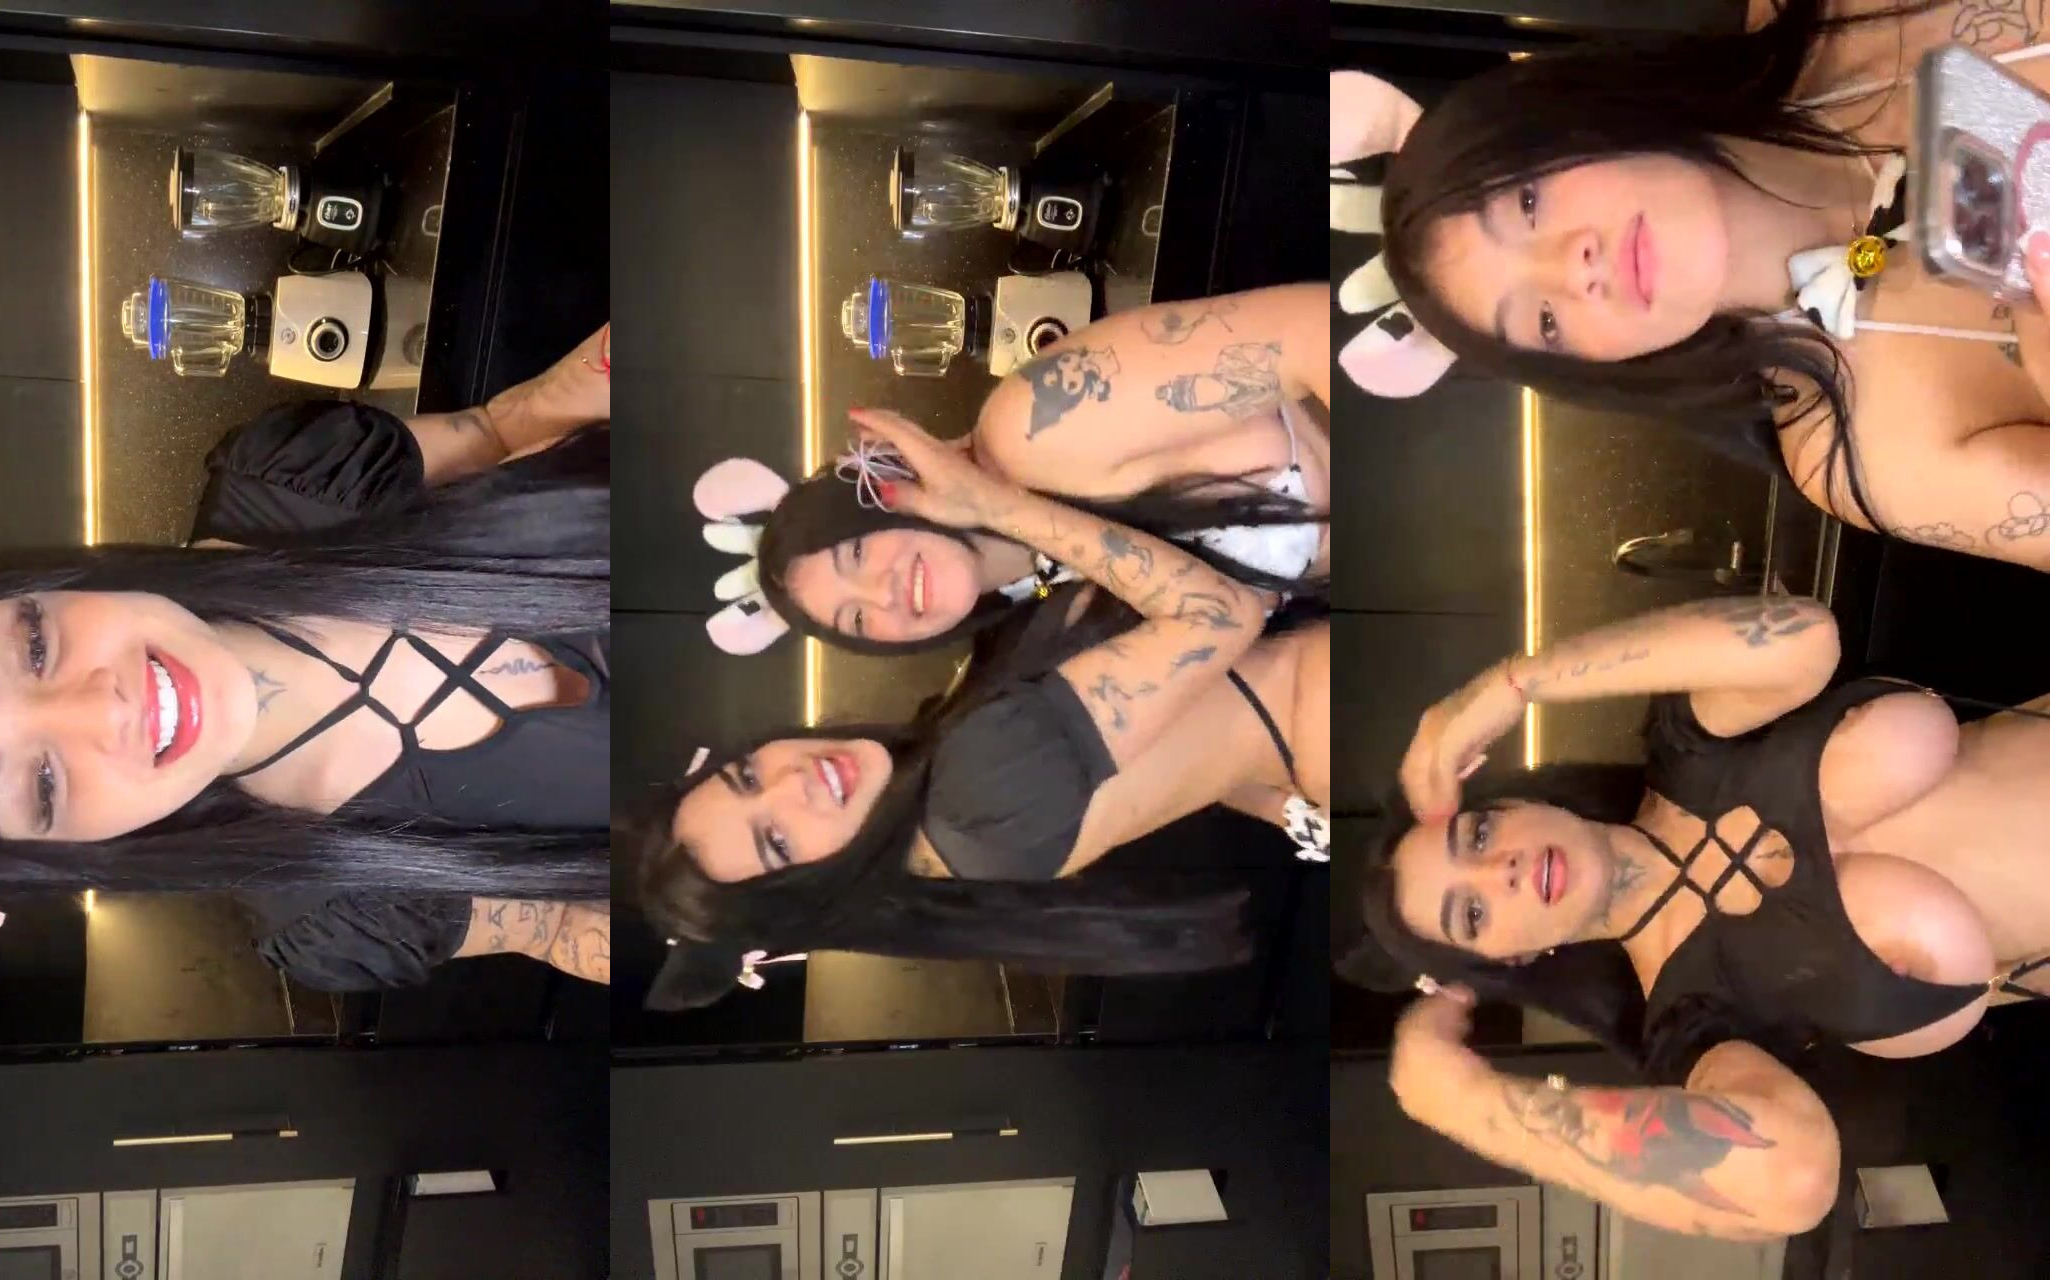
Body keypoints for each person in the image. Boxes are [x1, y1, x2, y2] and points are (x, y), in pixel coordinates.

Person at [0, 325, 618, 992]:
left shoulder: (295, 476)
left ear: (37, 585)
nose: (102, 710)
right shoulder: (339, 916)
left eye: (34, 647)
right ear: (68, 852)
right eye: (42, 785)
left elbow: (502, 428)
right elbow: (558, 927)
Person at [1347, 592, 2050, 1239]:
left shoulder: (1689, 747)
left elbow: (1803, 638)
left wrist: (1507, 687)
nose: (1497, 869)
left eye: (1476, 835)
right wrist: (1469, 1106)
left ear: (1516, 802)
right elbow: (1791, 1178)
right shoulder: (1692, 1023)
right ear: (1511, 960)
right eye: (1471, 912)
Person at [641, 408, 1330, 1009]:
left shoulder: (950, 839)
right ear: (813, 893)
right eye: (777, 841)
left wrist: (1288, 797)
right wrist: (994, 505)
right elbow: (1220, 617)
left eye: (747, 777)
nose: (792, 784)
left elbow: (1181, 752)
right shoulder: (974, 791)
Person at [1332, 0, 2050, 569]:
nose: (1574, 269)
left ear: (1571, 116)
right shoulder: (1856, 455)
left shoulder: (1848, 15)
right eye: (1544, 322)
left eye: (1527, 202)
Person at [698, 285, 1332, 656]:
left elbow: (1313, 329)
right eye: (858, 621)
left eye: (857, 554)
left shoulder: (1030, 427)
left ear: (880, 488)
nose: (882, 594)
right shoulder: (1041, 618)